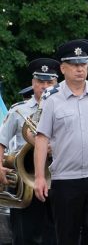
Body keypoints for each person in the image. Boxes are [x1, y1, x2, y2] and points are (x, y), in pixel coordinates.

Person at [33, 39, 88, 244]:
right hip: (65, 180)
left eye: (83, 64)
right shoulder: (50, 98)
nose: (80, 69)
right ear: (63, 68)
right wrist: (39, 177)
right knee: (67, 236)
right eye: (74, 64)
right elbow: (41, 138)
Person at [0, 58, 59, 244]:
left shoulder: (67, 108)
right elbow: (1, 140)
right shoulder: (19, 110)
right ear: (33, 83)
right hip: (26, 180)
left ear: (57, 84)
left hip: (59, 178)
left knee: (58, 234)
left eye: (50, 82)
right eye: (40, 81)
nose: (45, 86)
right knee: (25, 235)